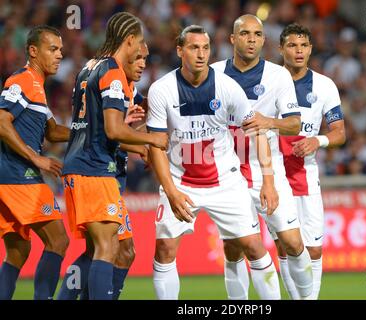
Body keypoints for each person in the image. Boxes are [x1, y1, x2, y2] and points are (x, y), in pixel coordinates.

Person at [147, 25, 281, 300]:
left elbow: (257, 131)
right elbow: (156, 146)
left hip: (226, 181)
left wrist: (268, 180)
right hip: (181, 181)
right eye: (194, 47)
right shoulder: (162, 90)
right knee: (164, 250)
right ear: (180, 50)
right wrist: (171, 193)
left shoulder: (227, 87)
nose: (201, 54)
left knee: (254, 247)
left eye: (205, 48)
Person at [61, 12, 167, 300]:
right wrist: (150, 138)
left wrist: (137, 145)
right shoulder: (111, 71)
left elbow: (96, 128)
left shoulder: (89, 68)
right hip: (92, 170)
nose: (142, 52)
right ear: (129, 39)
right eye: (140, 44)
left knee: (123, 250)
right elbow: (112, 129)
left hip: (92, 168)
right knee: (107, 248)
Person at [211, 15, 313, 300]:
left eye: (257, 34)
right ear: (233, 39)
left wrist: (268, 121)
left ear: (263, 40)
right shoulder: (215, 73)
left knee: (293, 243)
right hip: (228, 173)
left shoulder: (278, 75)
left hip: (267, 169)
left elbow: (294, 123)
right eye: (245, 34)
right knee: (233, 248)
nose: (252, 39)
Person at [0, 25, 70, 300]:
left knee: (18, 251)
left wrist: (92, 129)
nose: (59, 55)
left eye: (61, 50)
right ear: (33, 50)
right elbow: (2, 121)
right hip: (20, 175)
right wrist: (36, 158)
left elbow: (53, 132)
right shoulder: (23, 81)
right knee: (58, 240)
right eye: (52, 49)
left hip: (8, 177)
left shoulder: (38, 89)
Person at [278, 23, 346, 299]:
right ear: (281, 49)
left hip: (306, 175)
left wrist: (318, 140)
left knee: (313, 249)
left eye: (303, 45)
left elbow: (340, 132)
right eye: (292, 45)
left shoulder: (324, 85)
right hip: (274, 176)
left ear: (310, 49)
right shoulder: (268, 82)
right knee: (286, 247)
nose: (298, 51)